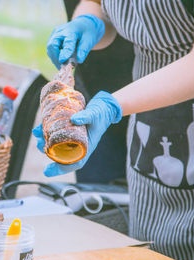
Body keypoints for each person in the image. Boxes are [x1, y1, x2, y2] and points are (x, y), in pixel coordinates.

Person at [33, 0, 194, 260]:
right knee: (149, 249)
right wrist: (89, 21)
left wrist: (113, 106)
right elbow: (96, 2)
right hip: (147, 117)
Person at [63, 0, 133, 184]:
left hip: (174, 104)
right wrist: (88, 20)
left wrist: (113, 105)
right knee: (98, 199)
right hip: (94, 93)